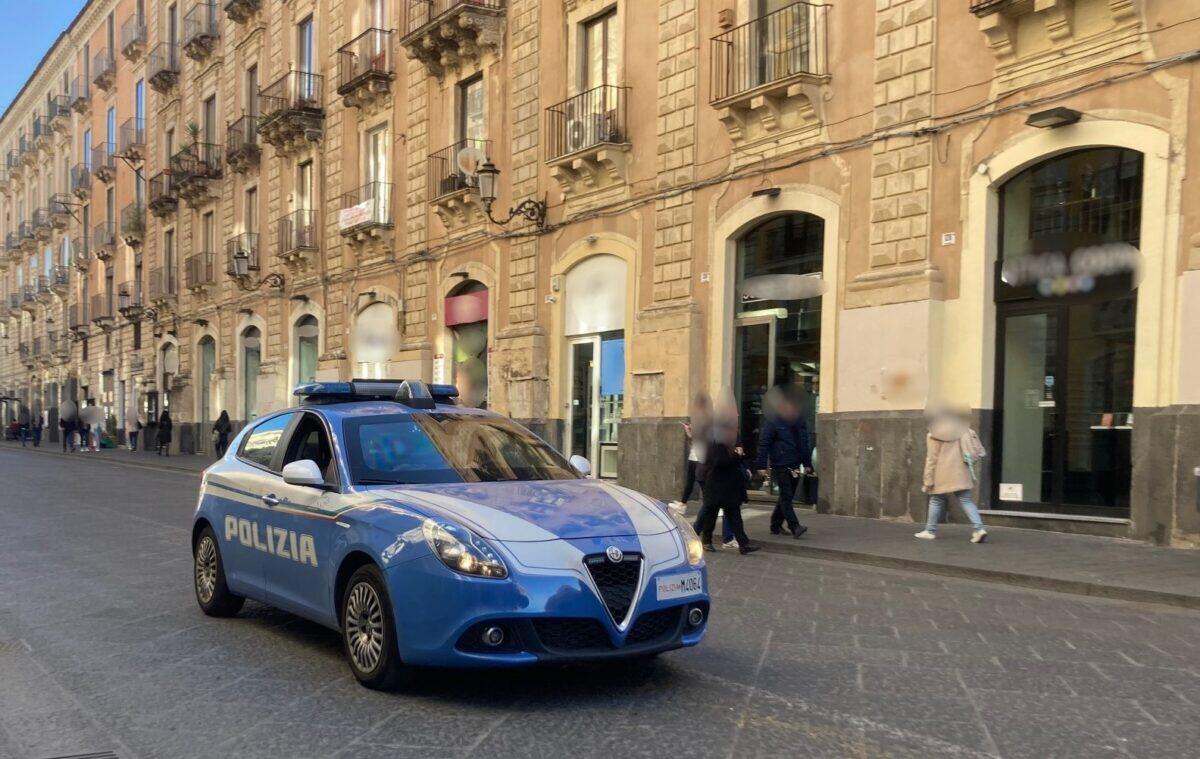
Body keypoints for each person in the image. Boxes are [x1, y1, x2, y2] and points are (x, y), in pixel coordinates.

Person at [693, 394, 759, 556]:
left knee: (734, 514)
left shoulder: (731, 433)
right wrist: (736, 455)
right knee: (711, 512)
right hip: (716, 482)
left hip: (729, 482)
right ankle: (705, 540)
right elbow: (718, 460)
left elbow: (736, 453)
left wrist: (739, 455)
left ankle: (743, 544)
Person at [916, 406, 988, 543]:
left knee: (936, 499)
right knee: (966, 499)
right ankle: (979, 528)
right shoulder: (965, 430)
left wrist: (928, 480)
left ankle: (930, 531)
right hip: (962, 471)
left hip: (941, 473)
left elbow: (931, 459)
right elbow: (977, 451)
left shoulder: (935, 434)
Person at [755, 394, 811, 539]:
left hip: (795, 465)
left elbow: (804, 443)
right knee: (786, 495)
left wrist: (807, 464)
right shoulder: (773, 422)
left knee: (787, 495)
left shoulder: (799, 422)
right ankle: (795, 526)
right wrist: (761, 465)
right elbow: (764, 443)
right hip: (780, 464)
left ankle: (775, 524)